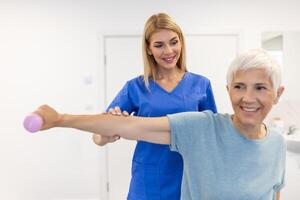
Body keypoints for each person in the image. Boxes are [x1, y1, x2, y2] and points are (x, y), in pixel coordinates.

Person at [32, 49, 286, 200]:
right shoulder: (202, 128)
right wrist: (60, 119)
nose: (248, 98)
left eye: (260, 88)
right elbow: (129, 126)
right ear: (228, 90)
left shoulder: (276, 143)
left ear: (278, 93)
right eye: (239, 87)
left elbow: (274, 193)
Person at [92, 13, 217, 200]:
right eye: (159, 45)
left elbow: (213, 137)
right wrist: (108, 132)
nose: (168, 51)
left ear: (181, 42)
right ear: (149, 49)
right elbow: (98, 137)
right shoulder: (135, 87)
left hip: (188, 178)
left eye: (173, 42)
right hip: (148, 181)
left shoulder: (201, 85)